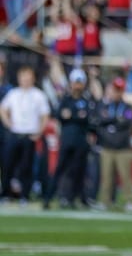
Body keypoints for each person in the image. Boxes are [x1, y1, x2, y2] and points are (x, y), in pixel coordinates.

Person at [43, 68, 96, 210]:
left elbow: (88, 119)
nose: (77, 85)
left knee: (78, 171)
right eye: (75, 82)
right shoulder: (65, 100)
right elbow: (60, 115)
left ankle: (74, 199)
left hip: (81, 142)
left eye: (80, 82)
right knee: (60, 170)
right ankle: (48, 198)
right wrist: (78, 116)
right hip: (67, 141)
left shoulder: (86, 101)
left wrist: (72, 116)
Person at [0, 65, 51, 203]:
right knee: (7, 165)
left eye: (28, 77)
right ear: (19, 78)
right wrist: (8, 123)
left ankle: (24, 195)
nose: (26, 80)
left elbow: (45, 115)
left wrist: (39, 132)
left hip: (30, 135)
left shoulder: (38, 95)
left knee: (26, 167)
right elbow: (3, 109)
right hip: (15, 134)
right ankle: (5, 194)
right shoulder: (13, 93)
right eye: (23, 77)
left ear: (33, 78)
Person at [92, 77, 132, 212]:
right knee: (106, 177)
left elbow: (130, 123)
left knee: (126, 177)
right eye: (115, 90)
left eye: (119, 90)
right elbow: (99, 123)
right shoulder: (105, 106)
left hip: (123, 147)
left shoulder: (128, 107)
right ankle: (105, 201)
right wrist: (116, 121)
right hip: (107, 146)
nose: (116, 93)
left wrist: (111, 123)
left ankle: (129, 201)